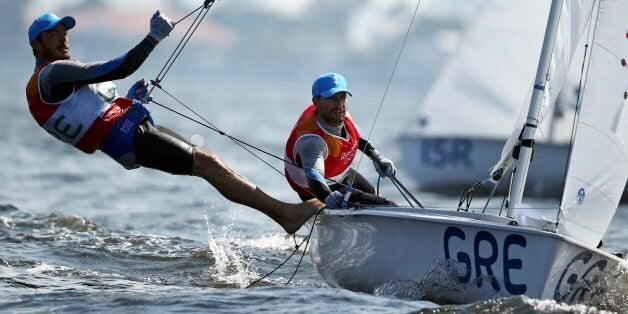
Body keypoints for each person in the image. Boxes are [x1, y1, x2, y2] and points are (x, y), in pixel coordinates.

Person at [25, 11, 323, 234]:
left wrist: (129, 101)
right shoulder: (52, 73)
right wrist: (153, 36)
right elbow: (120, 67)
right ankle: (286, 215)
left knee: (209, 161)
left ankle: (284, 214)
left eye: (65, 32)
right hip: (127, 138)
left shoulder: (56, 79)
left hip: (127, 132)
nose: (63, 37)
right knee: (207, 164)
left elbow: (92, 114)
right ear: (37, 46)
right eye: (53, 34)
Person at [284, 72, 397, 208]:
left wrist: (378, 158)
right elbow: (314, 177)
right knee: (387, 205)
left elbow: (357, 138)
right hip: (315, 188)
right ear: (316, 102)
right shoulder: (312, 141)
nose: (339, 104)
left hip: (338, 173)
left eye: (342, 97)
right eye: (332, 98)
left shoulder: (343, 116)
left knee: (370, 192)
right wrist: (327, 197)